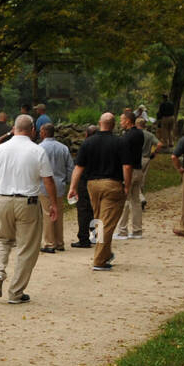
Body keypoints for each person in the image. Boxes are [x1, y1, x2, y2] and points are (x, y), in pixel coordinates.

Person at [0, 115, 59, 303]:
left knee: (2, 239)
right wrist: (53, 203)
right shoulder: (37, 150)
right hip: (28, 202)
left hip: (3, 199)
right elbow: (47, 180)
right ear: (33, 130)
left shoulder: (0, 149)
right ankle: (16, 292)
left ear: (14, 127)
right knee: (27, 248)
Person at [68, 113, 126, 270]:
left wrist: (73, 187)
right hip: (112, 184)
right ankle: (99, 260)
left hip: (92, 185)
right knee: (107, 223)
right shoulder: (119, 142)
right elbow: (126, 166)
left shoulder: (88, 143)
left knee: (100, 220)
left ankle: (105, 253)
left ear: (100, 123)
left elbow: (78, 167)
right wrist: (126, 184)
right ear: (114, 125)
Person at [37, 124, 74, 253]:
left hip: (43, 185)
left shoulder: (39, 148)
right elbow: (70, 167)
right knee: (58, 213)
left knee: (47, 213)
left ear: (43, 132)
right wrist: (69, 182)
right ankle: (59, 242)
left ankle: (49, 242)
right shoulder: (63, 148)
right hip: (60, 185)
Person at [115, 110, 147, 240]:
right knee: (136, 201)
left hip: (130, 171)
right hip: (139, 170)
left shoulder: (127, 137)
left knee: (125, 200)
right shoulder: (140, 133)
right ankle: (137, 230)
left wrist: (125, 179)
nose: (120, 122)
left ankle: (122, 230)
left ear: (128, 121)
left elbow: (126, 161)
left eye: (122, 120)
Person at [70, 124, 98, 250]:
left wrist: (73, 186)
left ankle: (83, 238)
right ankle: (97, 236)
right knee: (97, 210)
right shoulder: (102, 146)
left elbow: (78, 166)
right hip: (98, 180)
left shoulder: (85, 146)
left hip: (84, 181)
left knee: (83, 210)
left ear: (86, 134)